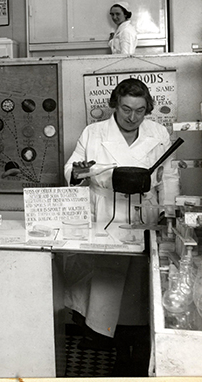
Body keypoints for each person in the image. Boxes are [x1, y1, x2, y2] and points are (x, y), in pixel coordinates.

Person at [63, 78, 179, 373]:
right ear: (115, 104)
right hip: (106, 214)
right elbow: (71, 169)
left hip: (144, 216)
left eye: (140, 110)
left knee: (139, 295)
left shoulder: (157, 132)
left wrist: (169, 213)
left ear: (147, 109)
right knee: (106, 290)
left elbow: (170, 176)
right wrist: (83, 173)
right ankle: (110, 348)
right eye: (126, 109)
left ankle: (136, 358)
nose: (132, 117)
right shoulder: (94, 132)